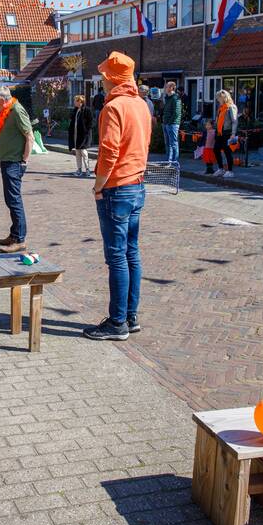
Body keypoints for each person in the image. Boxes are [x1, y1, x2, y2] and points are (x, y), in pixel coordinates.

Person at [84, 51, 151, 341]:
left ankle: (117, 322)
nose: (102, 82)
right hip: (137, 185)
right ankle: (130, 316)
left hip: (117, 187)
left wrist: (98, 186)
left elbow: (109, 152)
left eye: (104, 77)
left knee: (116, 256)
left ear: (112, 79)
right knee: (131, 252)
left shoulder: (113, 108)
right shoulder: (141, 105)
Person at [0, 85, 33, 253]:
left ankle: (20, 239)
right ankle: (14, 234)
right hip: (8, 161)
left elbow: (29, 136)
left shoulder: (17, 111)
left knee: (14, 201)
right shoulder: (7, 110)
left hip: (14, 163)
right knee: (10, 200)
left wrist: (24, 161)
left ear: (2, 99)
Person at [213, 89, 238, 178]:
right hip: (220, 133)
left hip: (227, 132)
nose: (217, 99)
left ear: (224, 97)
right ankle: (221, 169)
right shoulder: (221, 108)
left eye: (218, 98)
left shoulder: (231, 107)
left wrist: (233, 133)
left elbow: (234, 121)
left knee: (227, 152)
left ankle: (230, 171)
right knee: (216, 149)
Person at [68, 94, 93, 177]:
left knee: (84, 152)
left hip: (84, 135)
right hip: (76, 134)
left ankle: (87, 170)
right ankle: (79, 169)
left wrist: (87, 131)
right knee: (78, 152)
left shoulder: (87, 110)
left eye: (75, 101)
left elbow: (90, 122)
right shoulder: (75, 110)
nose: (74, 102)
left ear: (80, 102)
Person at [161, 81, 182, 165]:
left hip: (172, 124)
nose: (165, 88)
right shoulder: (167, 98)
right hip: (166, 123)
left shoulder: (175, 98)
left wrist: (169, 122)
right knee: (168, 143)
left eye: (166, 87)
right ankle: (168, 161)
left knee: (173, 143)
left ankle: (174, 162)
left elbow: (176, 113)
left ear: (171, 88)